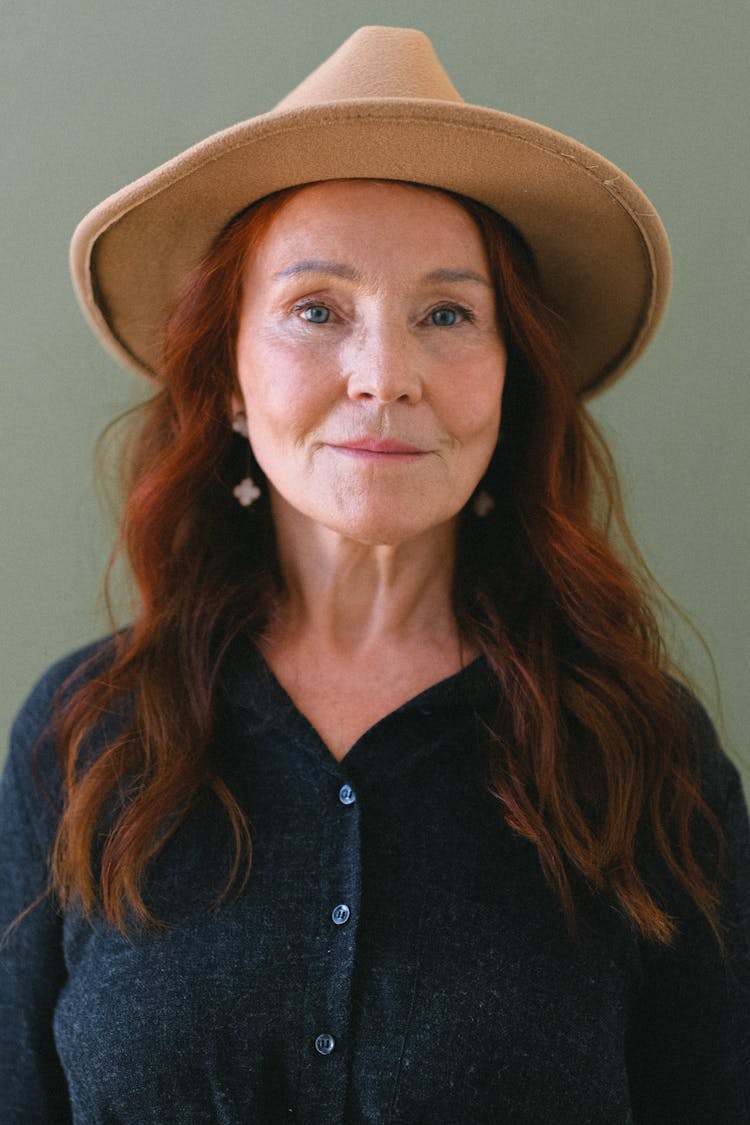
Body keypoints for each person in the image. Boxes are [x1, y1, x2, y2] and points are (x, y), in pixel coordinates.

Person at [1, 25, 748, 1124]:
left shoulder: (643, 752)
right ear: (228, 386)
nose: (384, 376)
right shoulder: (83, 734)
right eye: (317, 310)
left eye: (447, 314)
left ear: (512, 383)